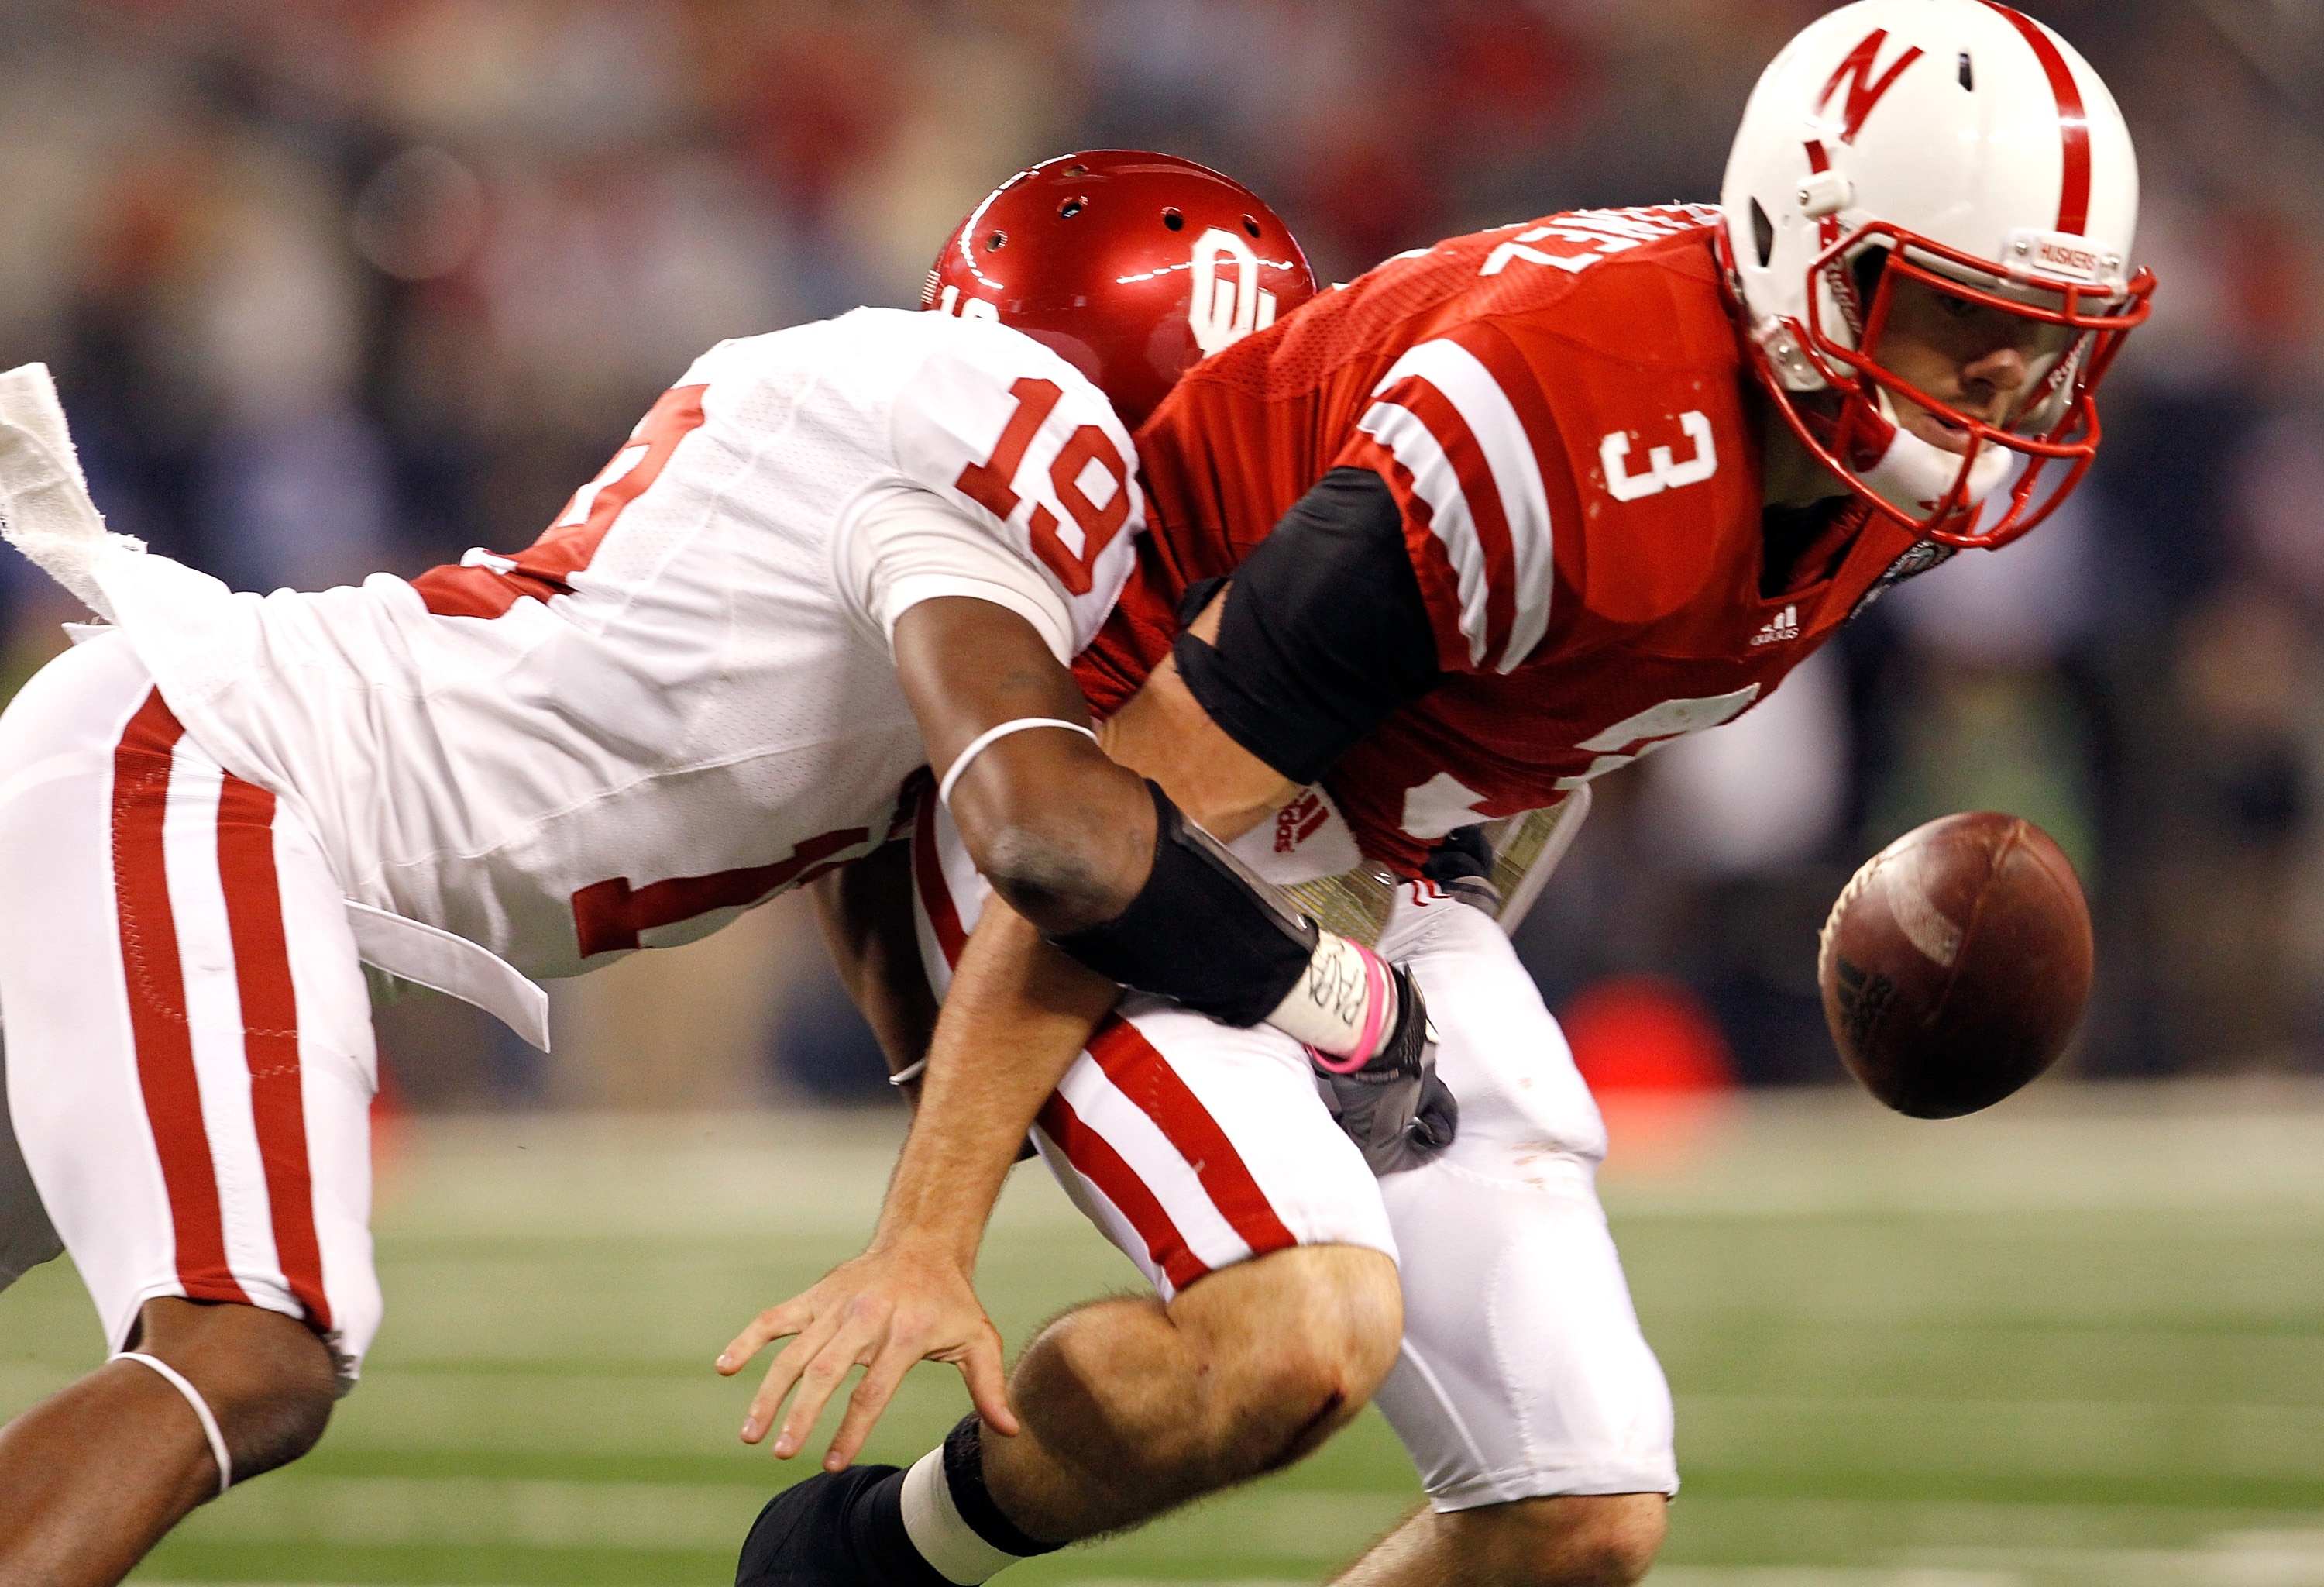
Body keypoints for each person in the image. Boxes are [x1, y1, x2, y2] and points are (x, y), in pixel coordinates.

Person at [720, 4, 2155, 1585]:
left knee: (1579, 1505)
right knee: (1296, 1334)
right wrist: (930, 1230)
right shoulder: (1547, 424)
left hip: (1345, 832)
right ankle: (868, 1556)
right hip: (1103, 791)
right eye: (1960, 311)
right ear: (1803, 251)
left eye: (2050, 329)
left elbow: (1554, 701)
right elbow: (1100, 827)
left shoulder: (1872, 463)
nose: (2012, 381)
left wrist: (1437, 914)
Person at [0, 153, 1372, 1586]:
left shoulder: (898, 412)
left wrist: (933, 1092)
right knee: (249, 1347)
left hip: (180, 759)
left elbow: (866, 811)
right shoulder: (1029, 437)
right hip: (209, 769)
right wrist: (1328, 997)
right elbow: (1038, 819)